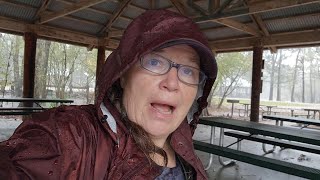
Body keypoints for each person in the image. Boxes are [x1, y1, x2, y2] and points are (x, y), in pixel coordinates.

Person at [0, 9, 217, 180]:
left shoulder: (186, 154)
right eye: (154, 61)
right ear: (123, 75)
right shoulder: (73, 134)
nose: (172, 83)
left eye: (188, 70)